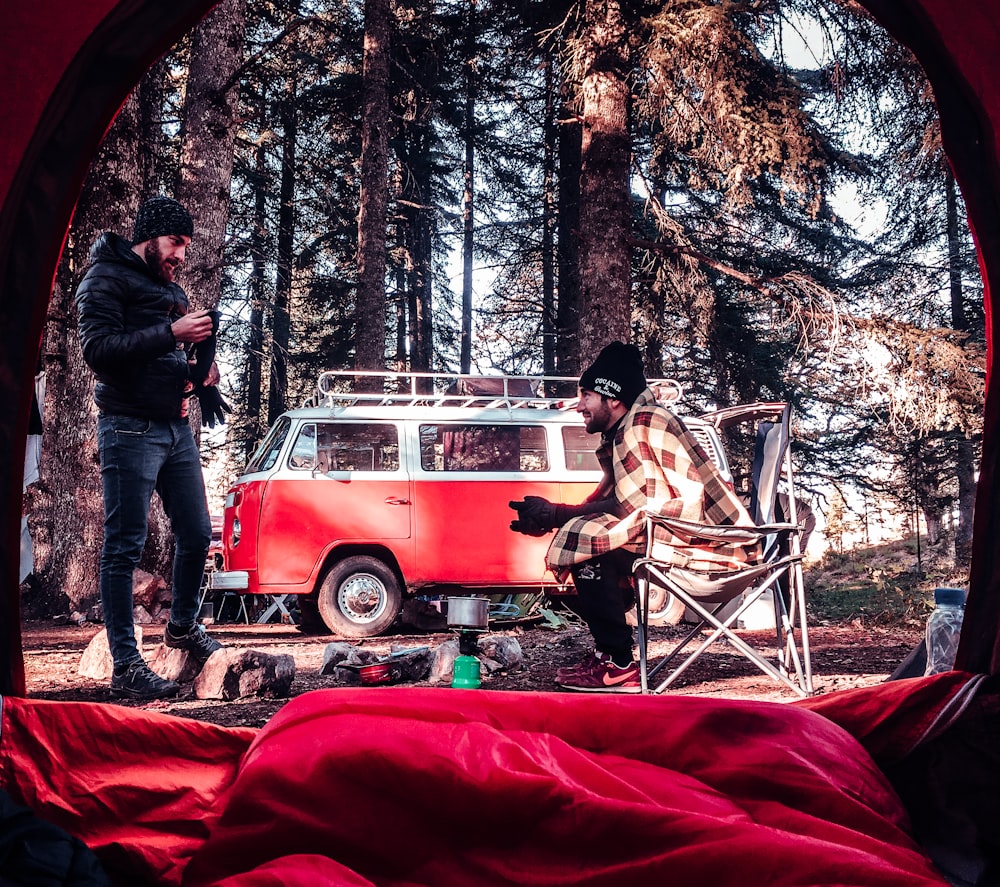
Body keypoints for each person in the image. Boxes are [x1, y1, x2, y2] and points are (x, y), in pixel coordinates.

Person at [510, 342, 757, 693]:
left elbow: (630, 509)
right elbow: (626, 504)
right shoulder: (631, 427)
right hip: (690, 538)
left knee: (589, 542)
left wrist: (557, 515)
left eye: (586, 395)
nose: (579, 405)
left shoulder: (643, 425)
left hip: (712, 549)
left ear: (613, 398)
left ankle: (617, 664)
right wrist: (554, 517)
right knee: (587, 536)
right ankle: (612, 656)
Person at [76, 196, 230, 700]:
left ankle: (182, 627)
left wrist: (197, 376)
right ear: (149, 237)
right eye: (176, 243)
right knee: (124, 544)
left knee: (194, 532)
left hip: (174, 428)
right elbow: (98, 353)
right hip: (127, 427)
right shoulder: (103, 278)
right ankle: (125, 663)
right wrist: (171, 334)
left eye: (185, 245)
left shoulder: (168, 288)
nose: (182, 255)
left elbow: (161, 361)